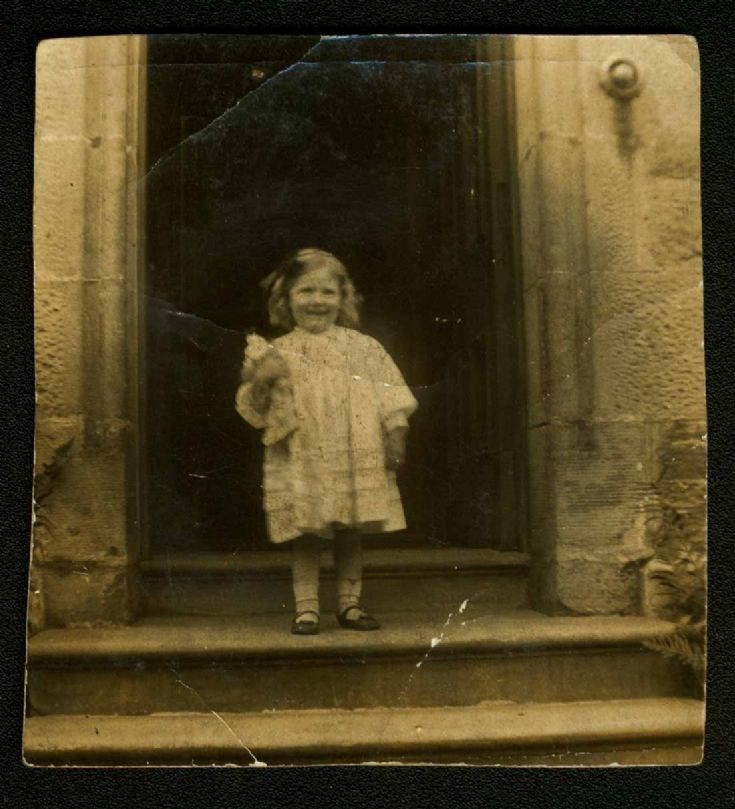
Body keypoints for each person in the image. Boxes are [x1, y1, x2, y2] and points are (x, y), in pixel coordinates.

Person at [235, 248, 417, 635]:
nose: (317, 301)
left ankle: (350, 605)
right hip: (303, 455)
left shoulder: (364, 348)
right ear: (286, 300)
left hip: (354, 451)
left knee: (350, 528)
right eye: (306, 292)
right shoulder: (277, 352)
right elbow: (256, 412)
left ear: (343, 298)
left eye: (327, 292)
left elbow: (392, 397)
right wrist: (263, 379)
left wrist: (396, 436)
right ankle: (307, 607)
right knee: (306, 530)